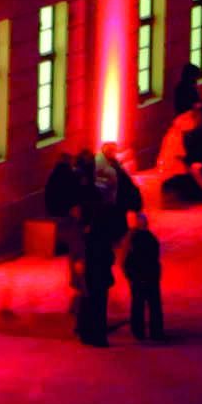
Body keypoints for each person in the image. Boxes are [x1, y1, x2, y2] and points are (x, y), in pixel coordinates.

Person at [41, 141, 121, 345]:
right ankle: (92, 332)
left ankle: (86, 329)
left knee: (87, 295)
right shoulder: (91, 219)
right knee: (92, 298)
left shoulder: (83, 221)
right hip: (93, 269)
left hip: (89, 266)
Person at [108, 144, 170, 343]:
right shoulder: (148, 238)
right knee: (153, 303)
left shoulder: (131, 238)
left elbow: (125, 258)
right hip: (149, 276)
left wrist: (129, 274)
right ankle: (155, 331)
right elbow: (155, 255)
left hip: (138, 276)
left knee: (138, 303)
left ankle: (139, 331)